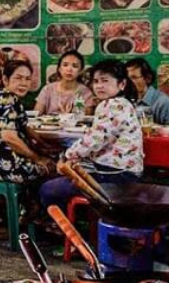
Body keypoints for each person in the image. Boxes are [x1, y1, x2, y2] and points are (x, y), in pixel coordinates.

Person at [39, 59, 143, 212]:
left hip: (114, 176)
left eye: (105, 81)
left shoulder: (112, 105)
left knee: (48, 189)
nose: (99, 86)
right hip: (122, 172)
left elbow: (94, 140)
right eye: (96, 81)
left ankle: (62, 228)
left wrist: (67, 154)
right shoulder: (123, 103)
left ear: (122, 84)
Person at [0, 60, 55, 185]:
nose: (23, 83)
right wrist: (38, 158)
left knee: (49, 158)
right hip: (5, 167)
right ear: (5, 79)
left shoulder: (0, 95)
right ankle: (32, 203)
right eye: (18, 78)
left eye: (27, 79)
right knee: (53, 167)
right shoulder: (9, 100)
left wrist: (44, 145)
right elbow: (9, 137)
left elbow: (24, 127)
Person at [33, 50, 92, 115]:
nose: (69, 69)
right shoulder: (48, 89)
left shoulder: (85, 92)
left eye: (75, 66)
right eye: (65, 65)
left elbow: (86, 118)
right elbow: (36, 115)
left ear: (80, 71)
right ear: (59, 69)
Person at [126, 58, 169, 125]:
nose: (128, 82)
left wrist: (154, 128)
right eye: (126, 78)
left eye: (134, 77)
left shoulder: (165, 103)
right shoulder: (124, 101)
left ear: (148, 78)